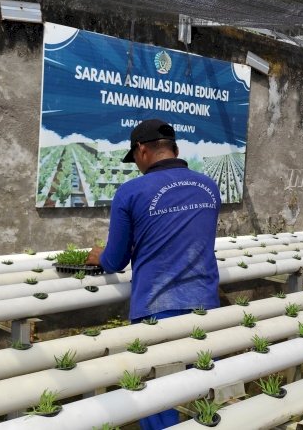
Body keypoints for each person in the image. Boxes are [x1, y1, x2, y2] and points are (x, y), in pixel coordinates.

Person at [85, 119, 221, 429]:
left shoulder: (131, 192)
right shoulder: (208, 186)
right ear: (175, 149)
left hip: (157, 309)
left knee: (158, 399)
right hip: (206, 305)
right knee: (202, 389)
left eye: (134, 158)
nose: (136, 165)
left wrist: (99, 257)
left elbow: (116, 260)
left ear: (142, 150)